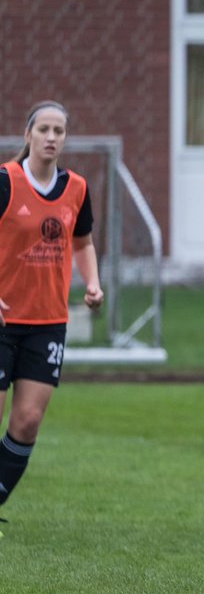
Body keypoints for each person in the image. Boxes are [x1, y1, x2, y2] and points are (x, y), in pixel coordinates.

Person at [0, 101, 104, 521]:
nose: (51, 137)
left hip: (47, 323)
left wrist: (92, 282)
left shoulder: (76, 187)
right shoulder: (5, 181)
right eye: (43, 129)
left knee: (26, 421)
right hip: (3, 320)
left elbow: (82, 242)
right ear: (27, 135)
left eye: (58, 130)